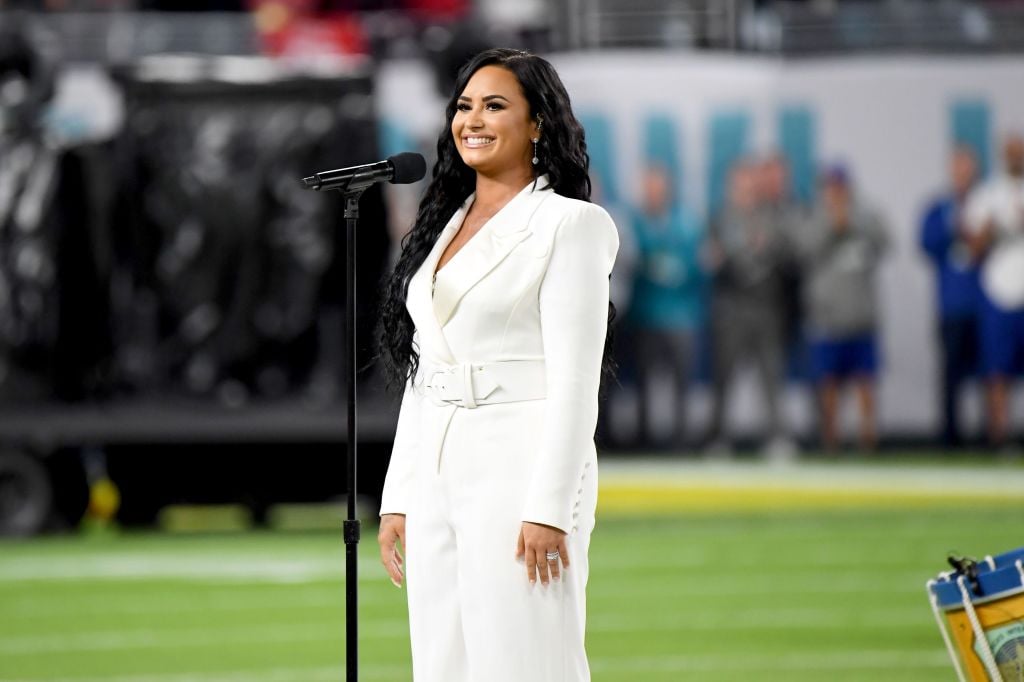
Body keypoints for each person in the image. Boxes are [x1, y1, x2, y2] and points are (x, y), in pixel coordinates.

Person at [375, 48, 618, 682]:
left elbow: (575, 383)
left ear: (538, 124)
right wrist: (399, 494)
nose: (472, 120)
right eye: (463, 106)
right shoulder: (441, 227)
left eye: (494, 105)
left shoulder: (570, 225)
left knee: (526, 662)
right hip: (435, 477)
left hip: (519, 472)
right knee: (441, 665)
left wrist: (549, 507)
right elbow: (424, 366)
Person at [704, 158, 795, 458]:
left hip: (764, 307)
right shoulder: (720, 218)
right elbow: (710, 257)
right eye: (739, 185)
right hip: (731, 307)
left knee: (770, 375)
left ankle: (777, 437)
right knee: (724, 377)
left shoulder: (771, 217)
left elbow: (784, 253)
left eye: (749, 185)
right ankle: (719, 438)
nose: (745, 191)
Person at [796, 164, 888, 451]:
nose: (834, 192)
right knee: (828, 382)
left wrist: (852, 222)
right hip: (827, 317)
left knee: (866, 381)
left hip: (861, 316)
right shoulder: (813, 218)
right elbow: (803, 250)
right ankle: (831, 440)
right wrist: (832, 226)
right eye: (829, 187)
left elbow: (885, 242)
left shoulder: (866, 214)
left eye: (839, 186)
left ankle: (867, 439)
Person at [629, 163, 704, 448]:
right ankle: (645, 438)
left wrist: (672, 269)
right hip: (647, 316)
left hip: (680, 318)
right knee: (644, 383)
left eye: (657, 187)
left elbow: (696, 265)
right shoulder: (635, 222)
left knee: (681, 384)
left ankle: (682, 440)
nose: (653, 193)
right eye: (649, 188)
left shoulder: (686, 223)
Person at [963, 133, 1024, 451]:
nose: (1016, 157)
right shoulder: (988, 194)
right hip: (1000, 290)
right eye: (1011, 152)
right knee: (998, 370)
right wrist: (989, 231)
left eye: (1019, 152)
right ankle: (1001, 439)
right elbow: (970, 248)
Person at [919, 145, 981, 448]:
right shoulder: (939, 207)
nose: (961, 171)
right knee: (950, 376)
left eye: (966, 165)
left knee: (991, 374)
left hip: (984, 302)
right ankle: (950, 437)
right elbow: (927, 244)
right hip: (952, 304)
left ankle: (993, 438)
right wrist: (955, 230)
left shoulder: (987, 202)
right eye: (957, 165)